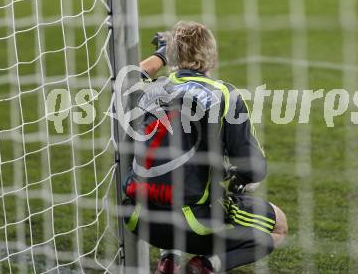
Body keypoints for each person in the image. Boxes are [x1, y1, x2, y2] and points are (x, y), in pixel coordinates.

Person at [123, 21, 288, 274]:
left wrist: (160, 55)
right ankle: (206, 266)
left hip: (136, 217)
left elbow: (129, 75)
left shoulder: (149, 88)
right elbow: (254, 168)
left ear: (171, 56)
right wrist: (238, 181)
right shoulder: (224, 94)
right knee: (279, 226)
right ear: (212, 57)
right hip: (190, 223)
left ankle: (168, 260)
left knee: (174, 175)